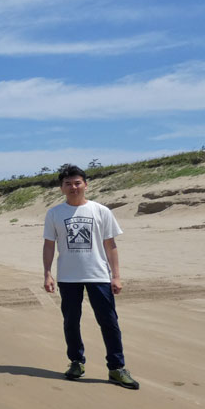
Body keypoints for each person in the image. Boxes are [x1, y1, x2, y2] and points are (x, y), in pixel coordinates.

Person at [42, 164, 139, 389]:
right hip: (67, 276)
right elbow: (49, 245)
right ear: (61, 188)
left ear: (86, 184)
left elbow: (110, 245)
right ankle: (76, 362)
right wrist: (47, 274)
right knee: (71, 322)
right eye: (68, 184)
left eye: (77, 183)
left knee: (109, 321)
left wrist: (116, 276)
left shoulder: (101, 211)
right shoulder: (54, 213)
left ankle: (116, 368)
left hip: (98, 275)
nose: (74, 187)